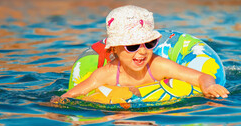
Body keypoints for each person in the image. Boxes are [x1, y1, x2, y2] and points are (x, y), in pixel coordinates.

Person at [58, 5, 229, 100]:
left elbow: (201, 76)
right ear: (113, 49)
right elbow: (73, 93)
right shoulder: (106, 74)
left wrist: (209, 86)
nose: (142, 51)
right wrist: (60, 101)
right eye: (132, 46)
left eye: (149, 43)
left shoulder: (158, 66)